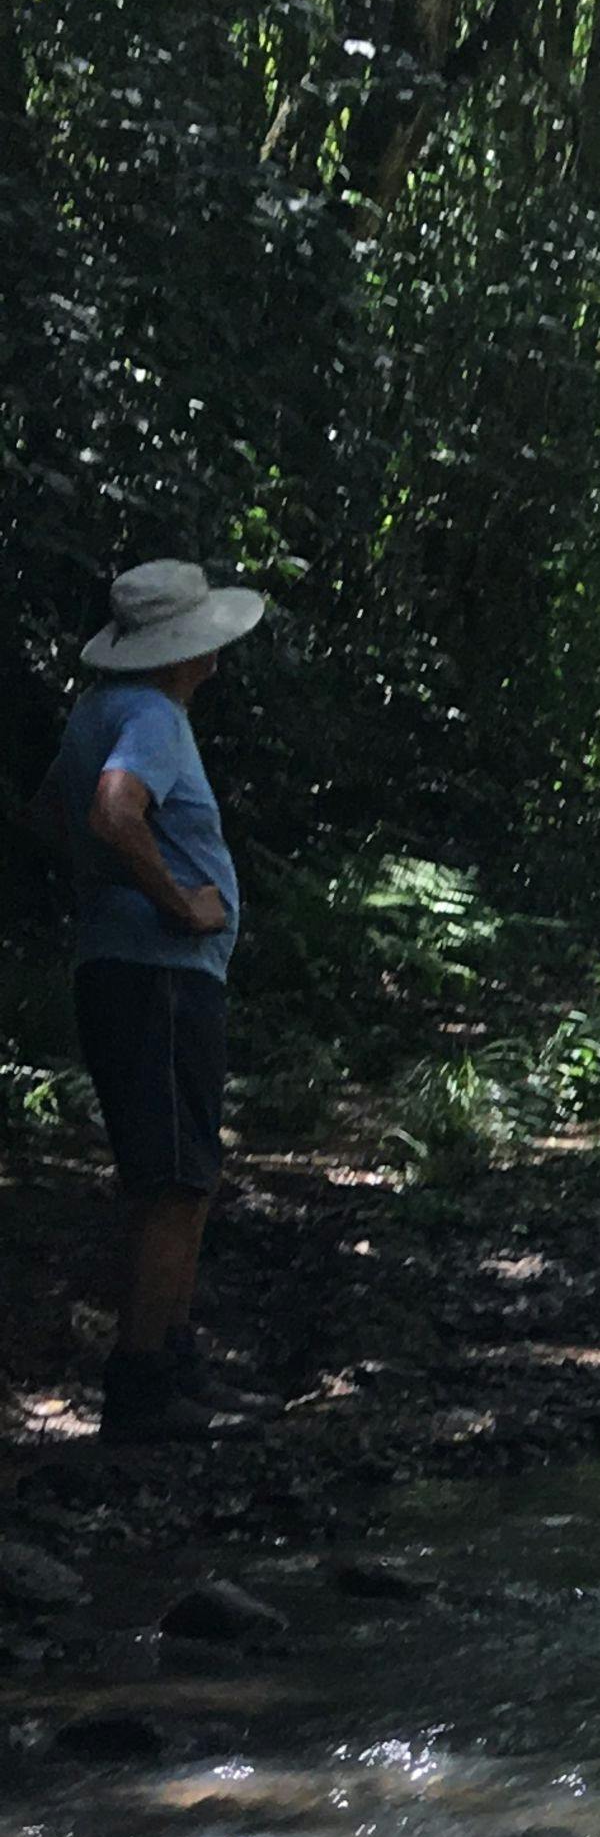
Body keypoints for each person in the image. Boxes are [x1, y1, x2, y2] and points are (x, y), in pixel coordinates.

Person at [23, 561, 287, 1441]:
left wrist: (110, 896)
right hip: (161, 977)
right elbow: (110, 812)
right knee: (174, 1180)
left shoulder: (95, 714)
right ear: (189, 651)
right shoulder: (151, 717)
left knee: (173, 1174)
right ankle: (145, 1386)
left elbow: (51, 823)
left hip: (122, 968)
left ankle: (170, 1361)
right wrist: (179, 904)